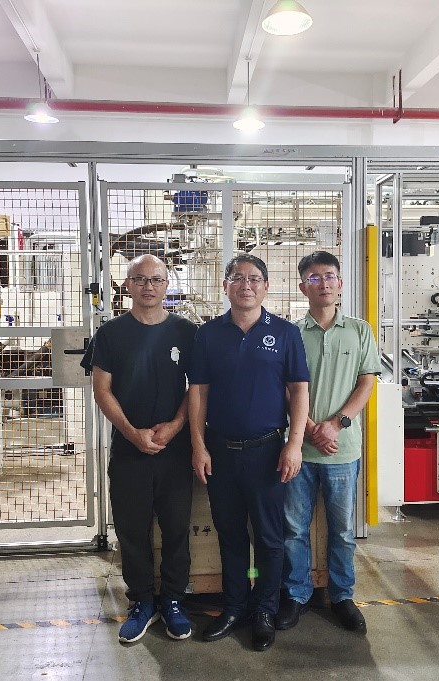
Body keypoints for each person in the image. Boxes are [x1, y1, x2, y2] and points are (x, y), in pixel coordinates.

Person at [188, 253, 309, 652]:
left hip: (267, 453)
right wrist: (199, 446)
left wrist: (294, 444)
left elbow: (299, 391)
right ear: (225, 286)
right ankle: (235, 607)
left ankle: (265, 611)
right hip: (220, 452)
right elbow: (198, 393)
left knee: (270, 538)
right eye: (237, 278)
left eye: (254, 278)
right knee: (231, 535)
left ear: (266, 286)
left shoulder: (286, 334)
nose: (246, 285)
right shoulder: (208, 334)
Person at [88, 254, 198, 644]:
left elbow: (197, 388)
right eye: (140, 279)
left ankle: (173, 600)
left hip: (174, 451)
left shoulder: (186, 332)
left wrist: (177, 424)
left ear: (167, 285)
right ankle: (142, 602)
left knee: (176, 528)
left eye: (156, 280)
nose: (148, 286)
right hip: (129, 451)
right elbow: (102, 391)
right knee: (132, 530)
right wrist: (133, 433)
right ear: (127, 284)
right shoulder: (110, 334)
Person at [276, 250, 381, 634]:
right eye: (314, 277)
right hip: (299, 451)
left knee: (342, 532)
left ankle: (342, 596)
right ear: (303, 286)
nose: (323, 283)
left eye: (330, 276)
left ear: (341, 283)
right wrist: (307, 428)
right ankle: (296, 595)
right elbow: (285, 387)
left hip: (343, 450)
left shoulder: (360, 330)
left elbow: (366, 382)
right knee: (294, 529)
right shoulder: (290, 334)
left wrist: (336, 425)